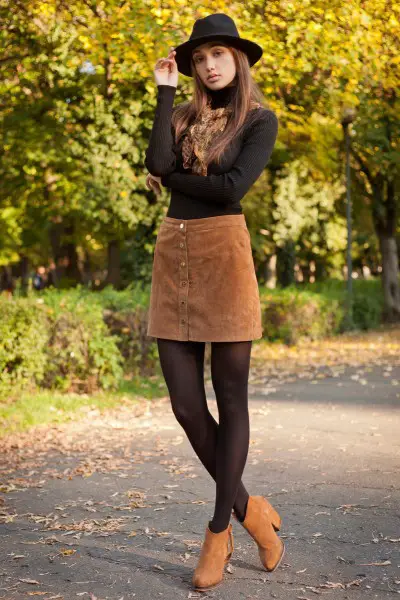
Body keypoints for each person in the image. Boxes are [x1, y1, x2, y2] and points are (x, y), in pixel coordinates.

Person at [144, 13, 284, 591]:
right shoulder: (179, 116)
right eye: (199, 58)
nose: (208, 65)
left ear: (237, 60)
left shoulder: (259, 120)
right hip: (174, 254)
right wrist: (164, 91)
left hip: (225, 256)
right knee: (184, 404)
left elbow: (231, 189)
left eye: (218, 55)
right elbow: (157, 163)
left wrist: (177, 178)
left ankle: (218, 531)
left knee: (231, 398)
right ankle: (252, 511)